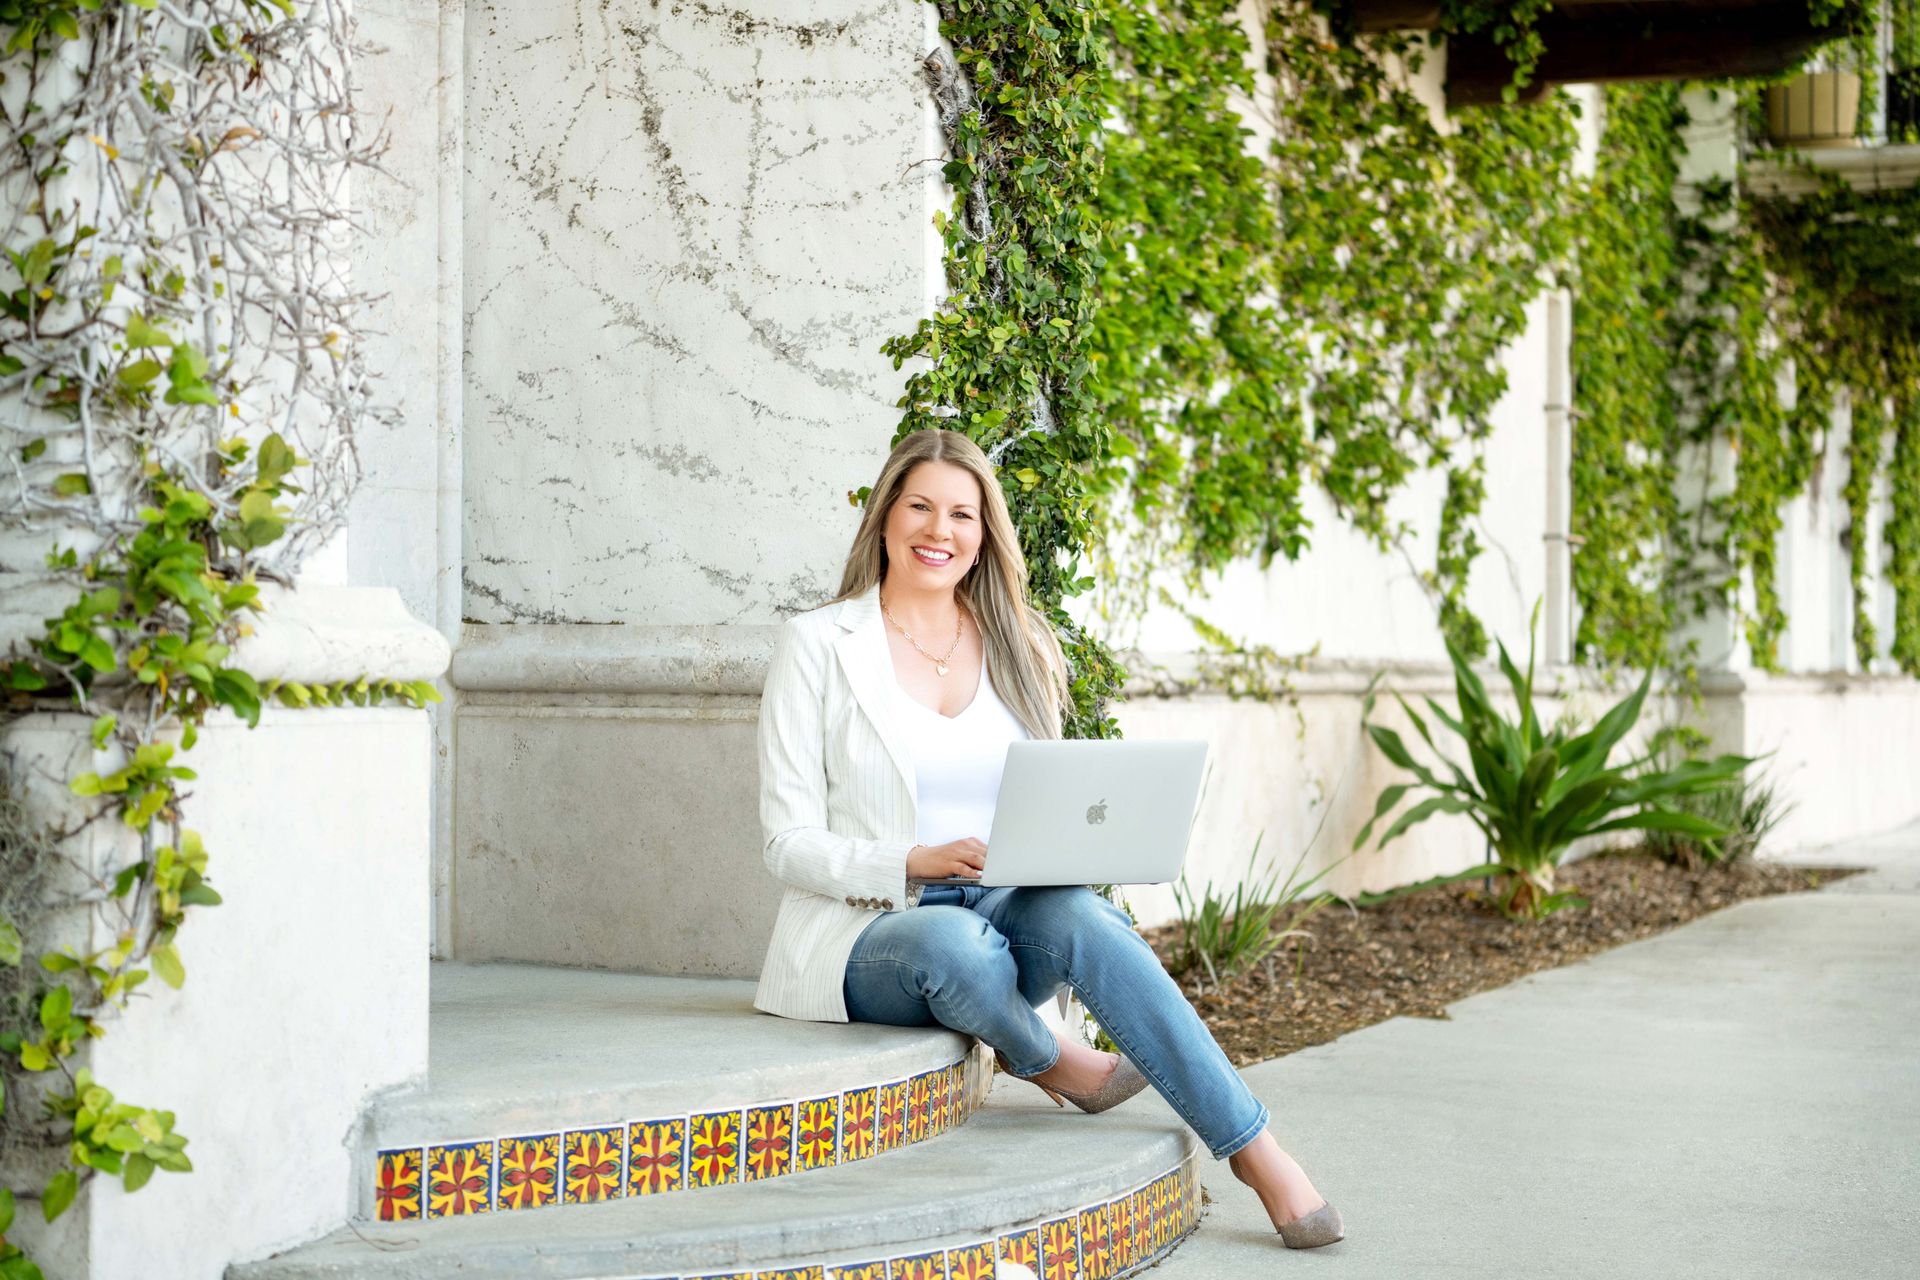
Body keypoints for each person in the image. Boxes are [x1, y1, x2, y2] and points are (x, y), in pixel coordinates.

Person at [753, 428, 1343, 1250]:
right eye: (920, 506)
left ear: (984, 533)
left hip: (1001, 903)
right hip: (874, 927)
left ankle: (1256, 1149)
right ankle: (1052, 1059)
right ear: (885, 517)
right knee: (955, 943)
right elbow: (785, 840)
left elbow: (1055, 802)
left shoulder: (1020, 645)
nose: (940, 530)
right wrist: (909, 862)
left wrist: (1076, 851)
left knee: (1082, 920)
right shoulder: (817, 644)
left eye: (963, 513)